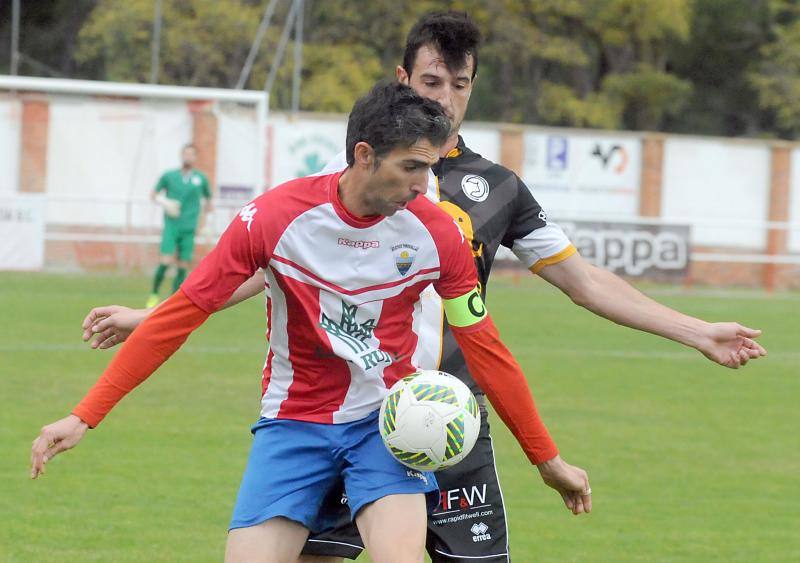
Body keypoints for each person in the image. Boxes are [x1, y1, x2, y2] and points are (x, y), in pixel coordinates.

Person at [80, 12, 767, 563]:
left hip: (456, 418)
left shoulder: (497, 189)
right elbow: (262, 271)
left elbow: (582, 281)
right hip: (356, 411)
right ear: (404, 77)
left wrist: (695, 330)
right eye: (433, 81)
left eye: (460, 84)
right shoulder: (350, 176)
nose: (445, 97)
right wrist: (150, 317)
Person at [31, 82, 591, 563]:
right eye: (413, 166)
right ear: (365, 155)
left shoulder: (438, 234)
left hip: (386, 426)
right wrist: (84, 416)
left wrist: (546, 458)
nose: (426, 184)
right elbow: (179, 318)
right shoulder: (272, 219)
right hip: (292, 423)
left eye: (432, 166)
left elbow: (486, 347)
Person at [147, 143, 212, 308]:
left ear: (195, 158)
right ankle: (154, 293)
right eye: (186, 154)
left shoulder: (200, 179)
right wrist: (165, 202)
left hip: (189, 228)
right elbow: (153, 194)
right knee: (165, 261)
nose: (188, 157)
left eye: (191, 154)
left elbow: (208, 201)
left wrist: (207, 224)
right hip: (172, 226)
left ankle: (171, 302)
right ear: (181, 155)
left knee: (183, 265)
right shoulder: (169, 176)